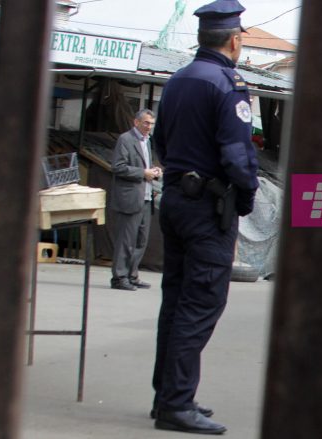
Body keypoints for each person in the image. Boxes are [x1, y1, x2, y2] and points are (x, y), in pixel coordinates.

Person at [150, 0, 258, 434]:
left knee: (175, 302)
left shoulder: (178, 79)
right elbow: (237, 156)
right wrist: (244, 199)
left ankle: (168, 396)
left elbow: (159, 140)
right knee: (200, 305)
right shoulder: (227, 84)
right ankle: (177, 404)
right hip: (208, 206)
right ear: (234, 40)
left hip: (175, 199)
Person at [109, 109, 161, 291]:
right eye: (146, 123)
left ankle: (132, 275)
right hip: (130, 198)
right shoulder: (126, 139)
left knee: (141, 240)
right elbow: (118, 167)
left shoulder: (147, 141)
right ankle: (119, 277)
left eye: (151, 124)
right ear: (136, 122)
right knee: (126, 240)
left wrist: (153, 171)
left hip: (146, 197)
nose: (149, 127)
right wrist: (143, 173)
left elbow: (145, 166)